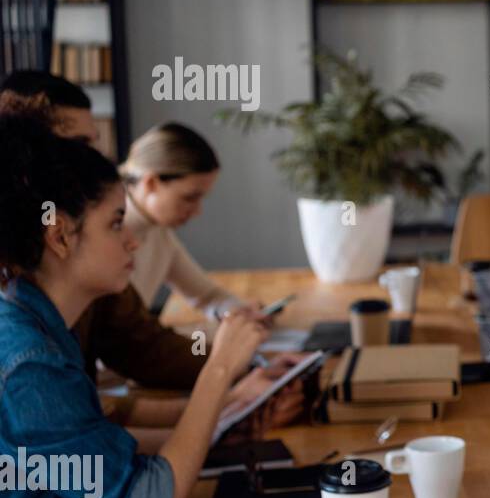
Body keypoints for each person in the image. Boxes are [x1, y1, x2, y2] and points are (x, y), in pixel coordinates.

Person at [0, 112, 268, 498]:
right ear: (59, 236)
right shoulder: (29, 359)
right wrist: (221, 368)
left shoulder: (36, 324)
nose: (132, 241)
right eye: (116, 224)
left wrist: (222, 419)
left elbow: (100, 444)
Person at [0, 71, 304, 431]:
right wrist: (225, 379)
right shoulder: (22, 331)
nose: (131, 242)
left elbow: (126, 366)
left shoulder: (75, 267)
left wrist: (236, 383)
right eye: (78, 146)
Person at [119, 122, 257, 319]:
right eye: (190, 198)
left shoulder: (157, 231)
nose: (197, 211)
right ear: (151, 183)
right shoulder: (106, 235)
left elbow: (206, 294)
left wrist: (236, 311)